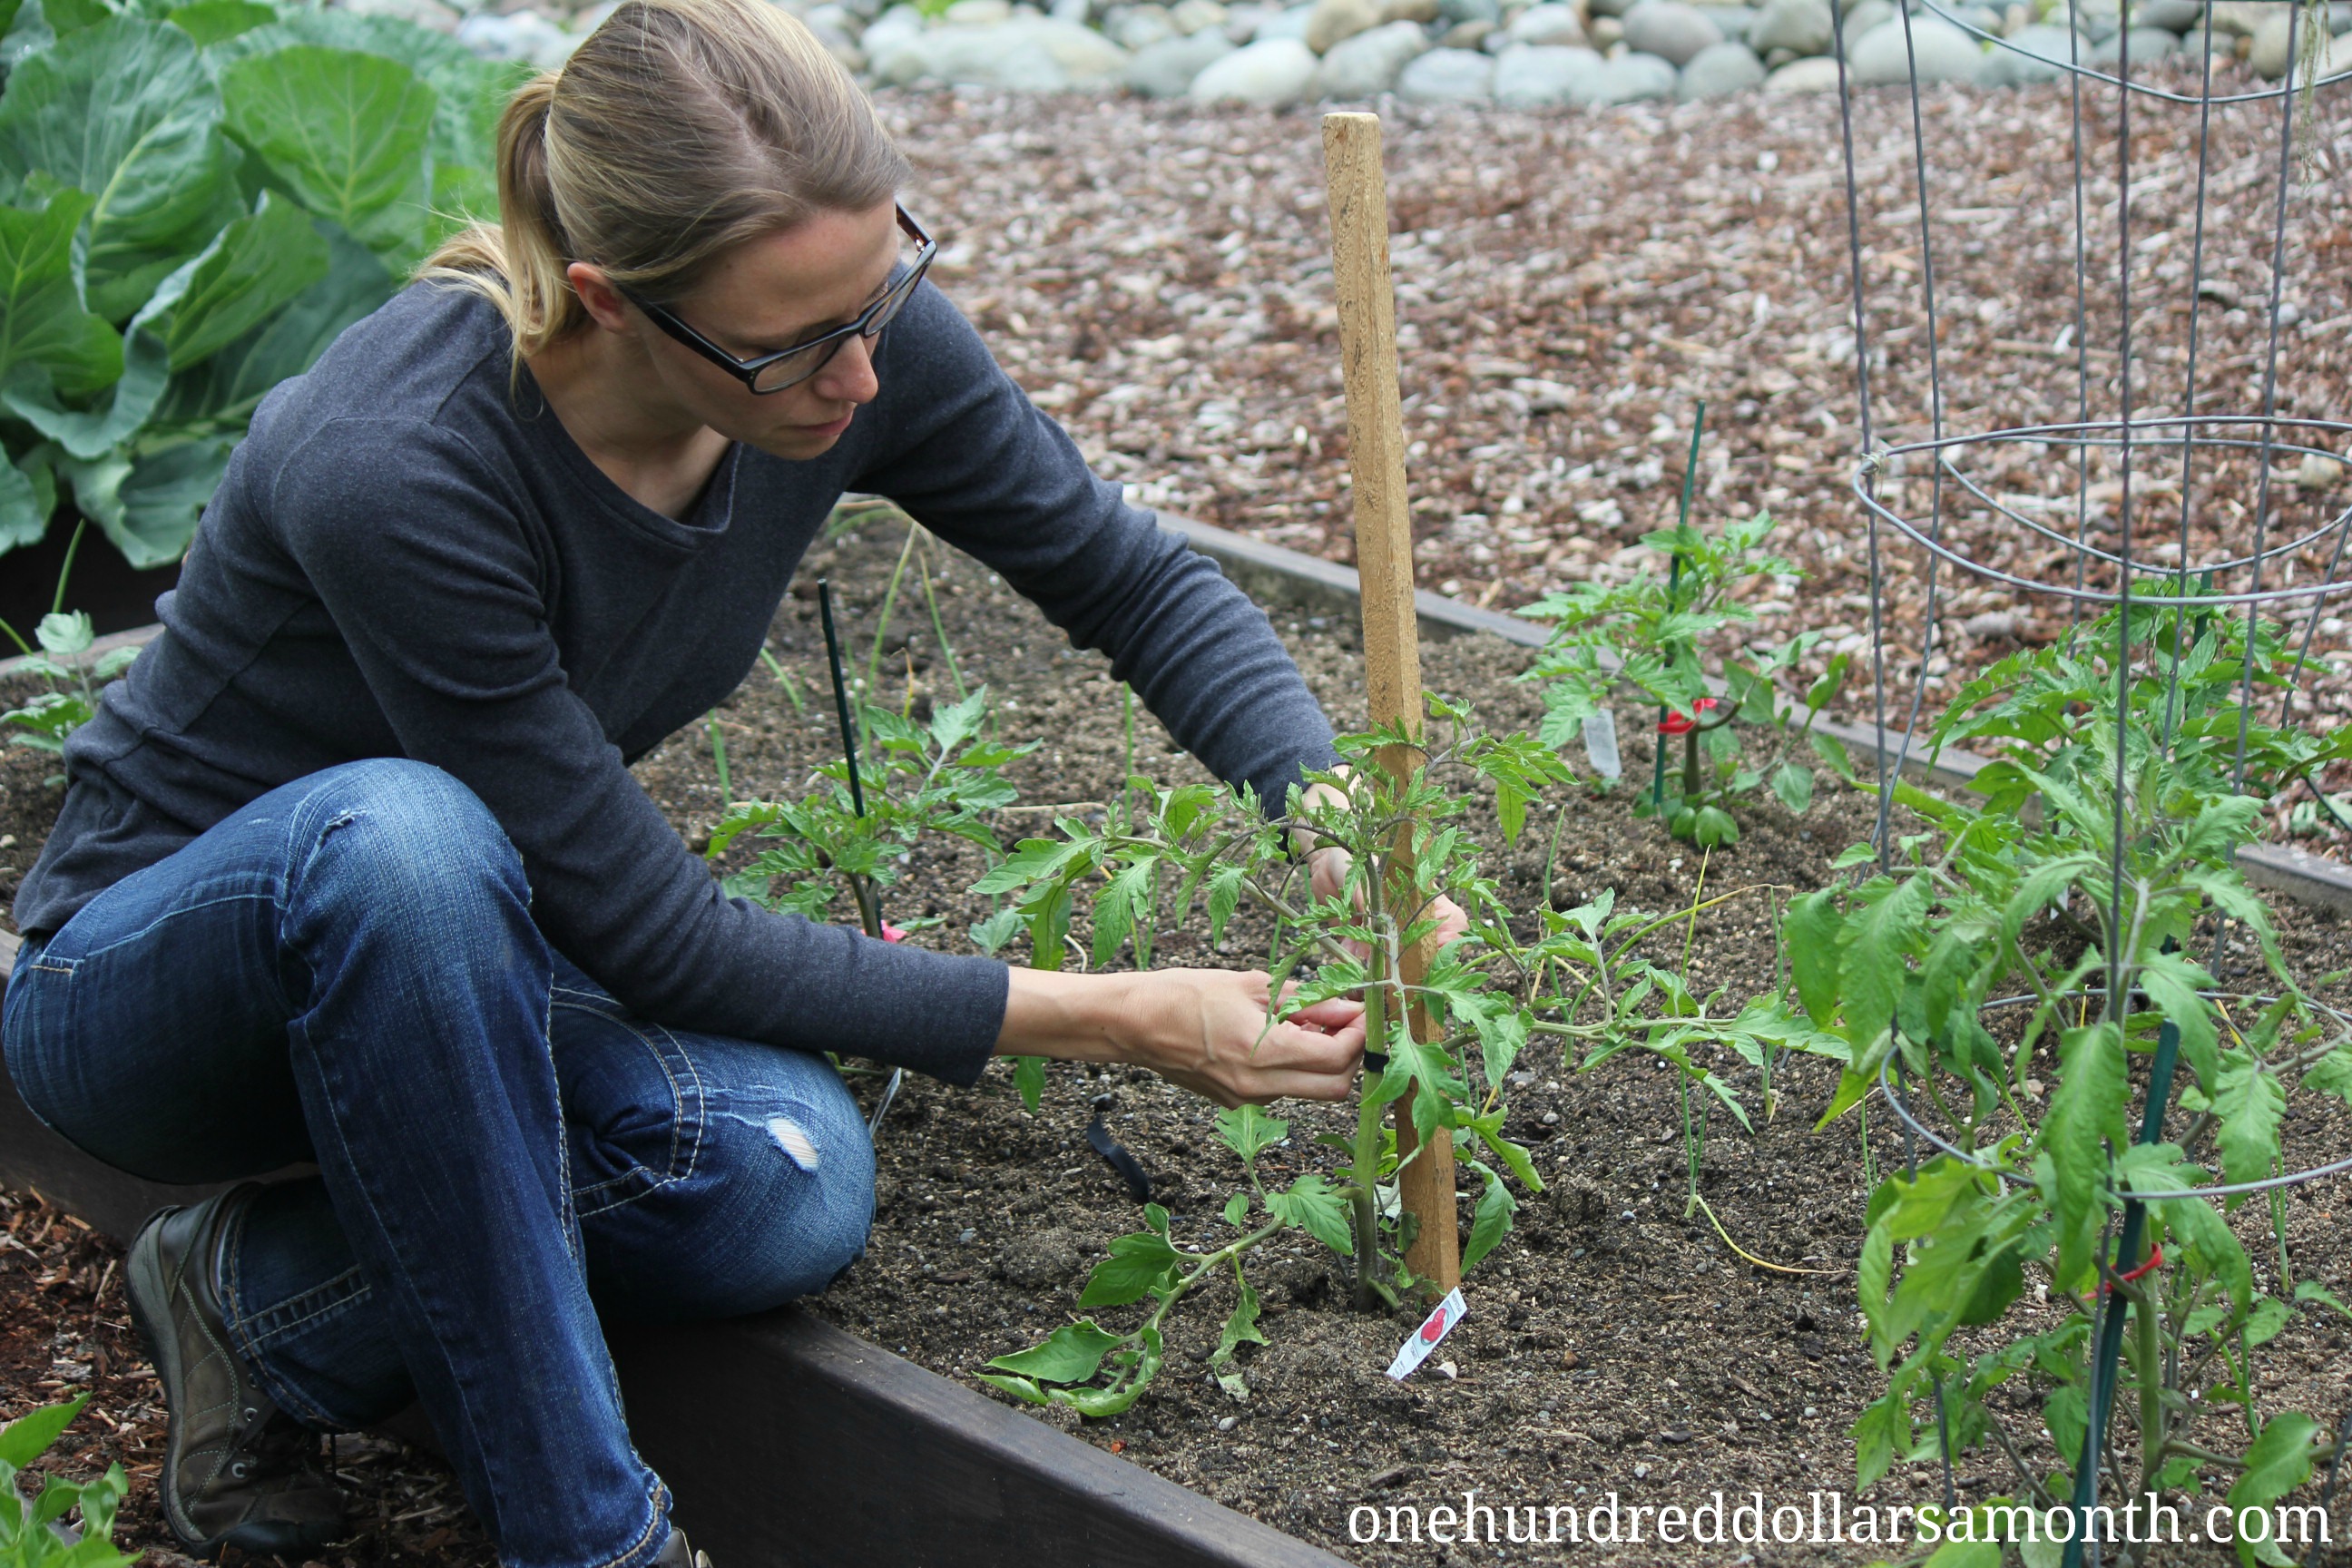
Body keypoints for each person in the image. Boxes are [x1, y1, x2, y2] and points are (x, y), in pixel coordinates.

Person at [0, 3, 1377, 1563]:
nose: (860, 375)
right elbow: (660, 941)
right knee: (400, 838)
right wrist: (1125, 1017)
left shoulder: (852, 338)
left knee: (778, 1181)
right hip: (163, 999)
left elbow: (1129, 580)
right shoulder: (400, 462)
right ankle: (592, 1540)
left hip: (476, 956)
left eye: (882, 293)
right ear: (612, 301)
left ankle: (253, 1299)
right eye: (796, 343)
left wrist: (1336, 816)